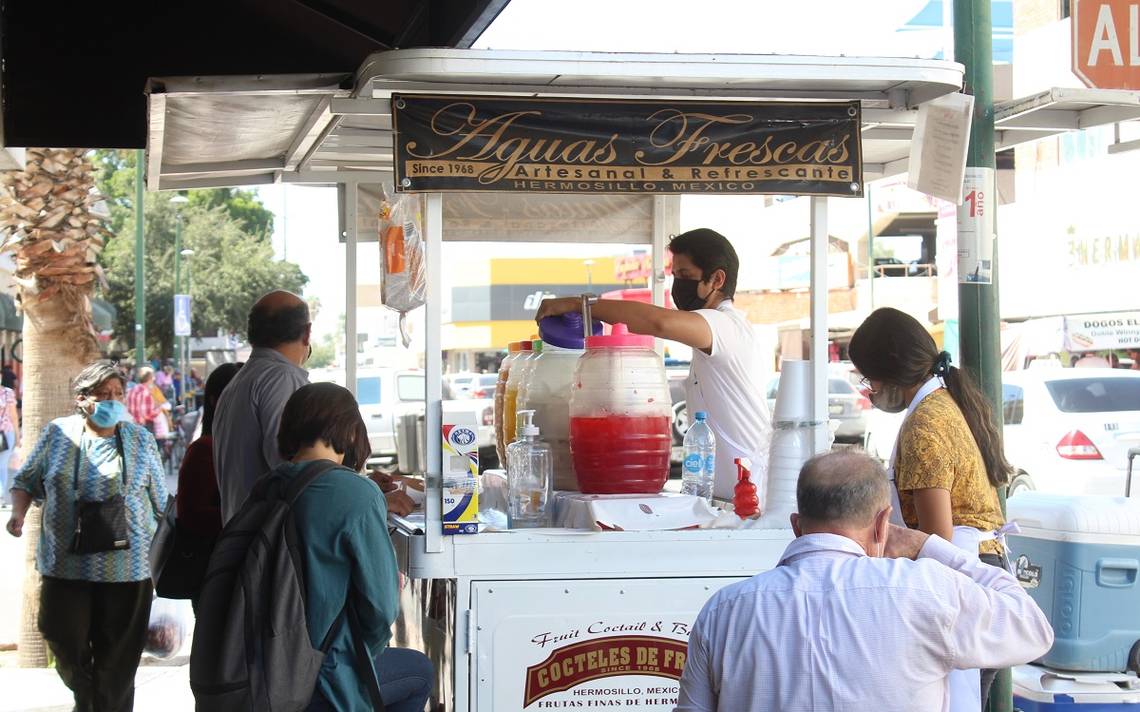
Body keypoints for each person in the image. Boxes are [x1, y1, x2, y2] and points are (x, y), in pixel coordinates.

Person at [675, 451, 1053, 712]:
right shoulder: (924, 589)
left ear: (796, 526)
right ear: (882, 524)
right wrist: (929, 546)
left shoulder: (724, 611)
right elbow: (1033, 628)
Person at [848, 307, 1014, 705]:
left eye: (868, 378)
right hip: (977, 570)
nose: (869, 389)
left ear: (890, 372)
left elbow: (938, 536)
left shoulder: (926, 424)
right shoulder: (943, 404)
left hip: (960, 576)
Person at [536, 228, 771, 496]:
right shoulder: (714, 328)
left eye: (685, 276)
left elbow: (659, 321)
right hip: (724, 494)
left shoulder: (725, 325)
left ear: (717, 279)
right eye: (675, 276)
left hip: (752, 494)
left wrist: (579, 305)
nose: (677, 286)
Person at [5, 360, 168, 712]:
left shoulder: (139, 439)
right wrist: (18, 514)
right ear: (81, 398)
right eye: (102, 395)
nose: (112, 401)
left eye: (117, 394)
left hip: (129, 569)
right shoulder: (57, 434)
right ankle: (88, 696)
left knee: (118, 660)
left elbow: (159, 502)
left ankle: (103, 705)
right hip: (66, 566)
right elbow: (25, 481)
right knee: (60, 635)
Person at [269, 382, 433, 712]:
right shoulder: (355, 492)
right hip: (323, 673)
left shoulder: (269, 484)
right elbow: (381, 607)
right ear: (351, 430)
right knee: (420, 671)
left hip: (266, 663)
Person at [213, 291, 414, 522]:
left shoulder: (240, 381)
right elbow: (303, 477)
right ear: (307, 333)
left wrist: (361, 485)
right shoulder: (281, 379)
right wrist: (371, 499)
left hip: (252, 538)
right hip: (279, 542)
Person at [176, 363, 243, 546]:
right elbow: (191, 515)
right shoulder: (204, 450)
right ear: (216, 400)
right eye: (241, 395)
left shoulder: (243, 446)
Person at [0, 379, 19, 507]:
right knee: (2, 466)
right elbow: (14, 416)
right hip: (7, 433)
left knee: (2, 465)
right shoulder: (8, 393)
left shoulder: (8, 393)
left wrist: (17, 436)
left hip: (6, 433)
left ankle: (1, 496)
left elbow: (13, 416)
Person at [126, 366, 163, 433]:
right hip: (144, 426)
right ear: (150, 378)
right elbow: (148, 414)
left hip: (133, 425)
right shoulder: (145, 391)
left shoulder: (133, 389)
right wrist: (159, 409)